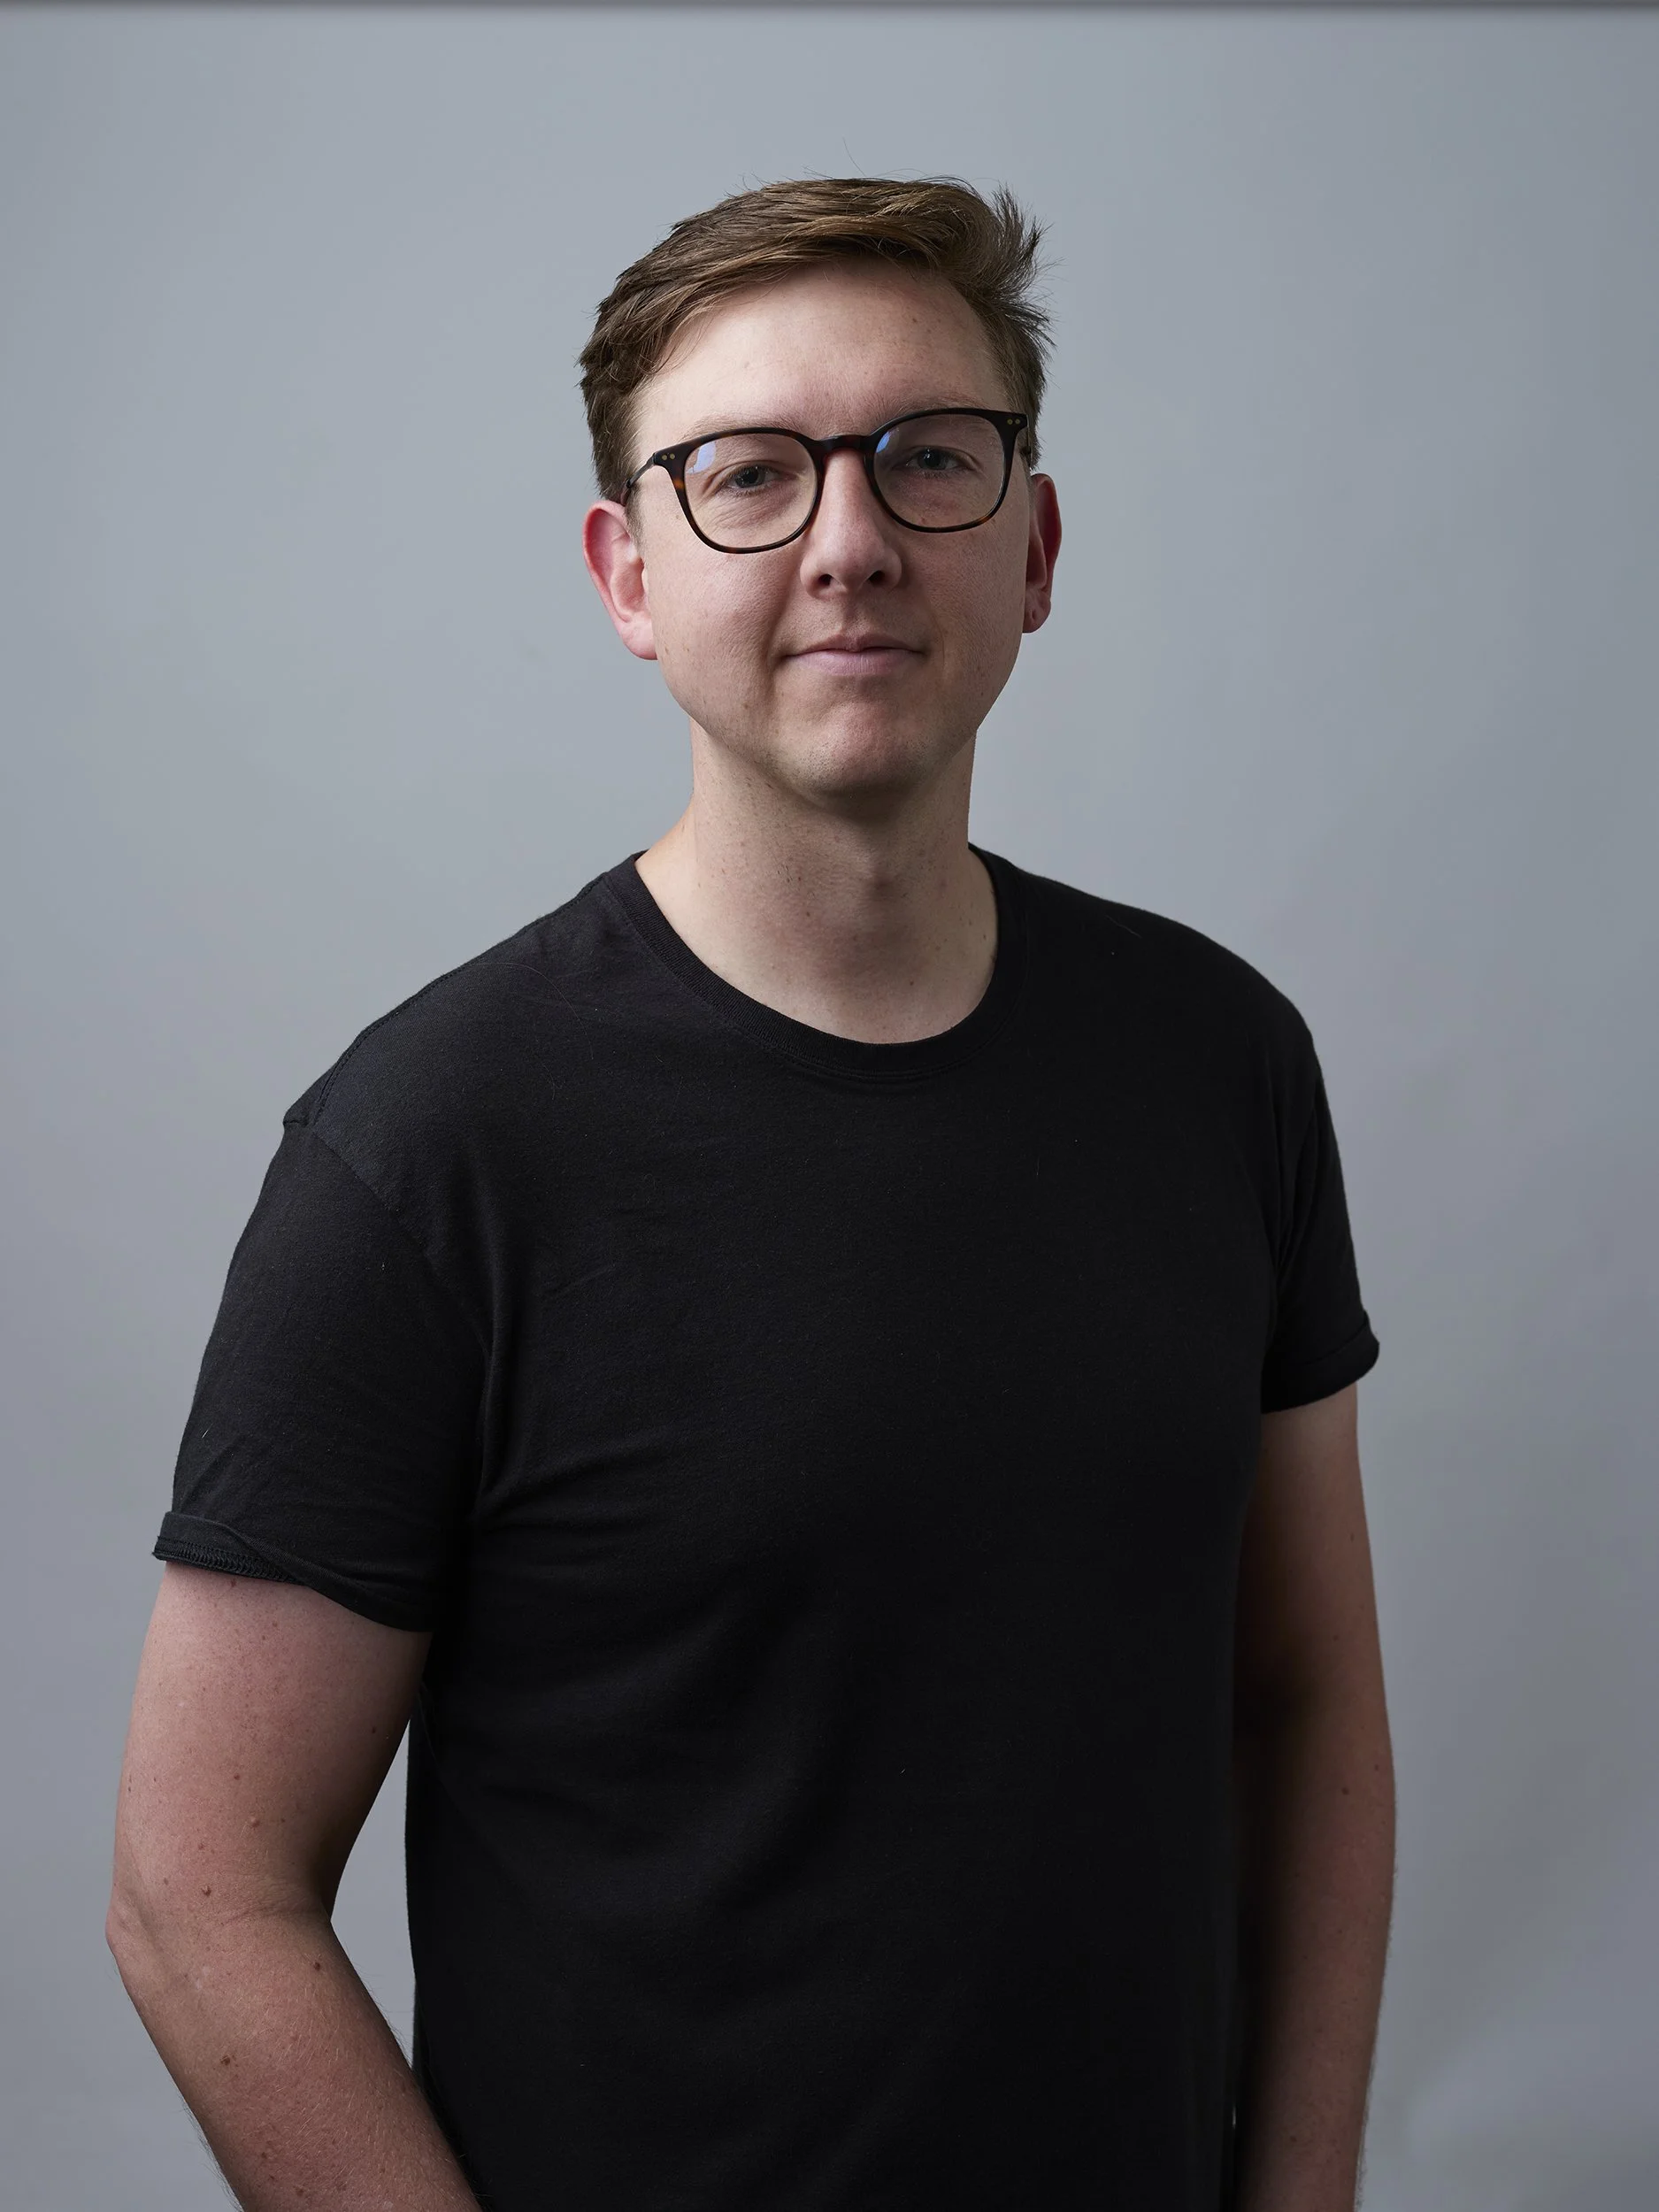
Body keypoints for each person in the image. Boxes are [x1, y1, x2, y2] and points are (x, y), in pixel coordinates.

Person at [107, 175, 1394, 2212]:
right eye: (749, 476)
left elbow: (1303, 1699)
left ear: (1035, 543)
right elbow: (196, 1891)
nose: (853, 541)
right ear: (629, 570)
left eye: (927, 458)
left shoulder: (1222, 1061)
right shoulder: (427, 1149)